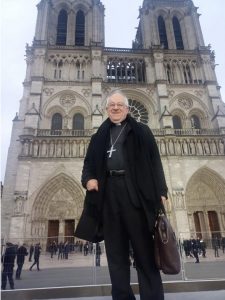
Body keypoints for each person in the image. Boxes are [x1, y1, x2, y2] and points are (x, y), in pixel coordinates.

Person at [75, 91, 168, 300]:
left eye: (120, 105)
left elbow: (155, 162)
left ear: (127, 109)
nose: (115, 108)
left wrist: (161, 191)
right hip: (108, 196)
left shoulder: (142, 131)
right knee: (116, 257)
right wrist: (88, 180)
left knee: (145, 254)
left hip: (135, 194)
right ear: (107, 109)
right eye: (112, 105)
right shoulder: (99, 136)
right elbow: (88, 165)